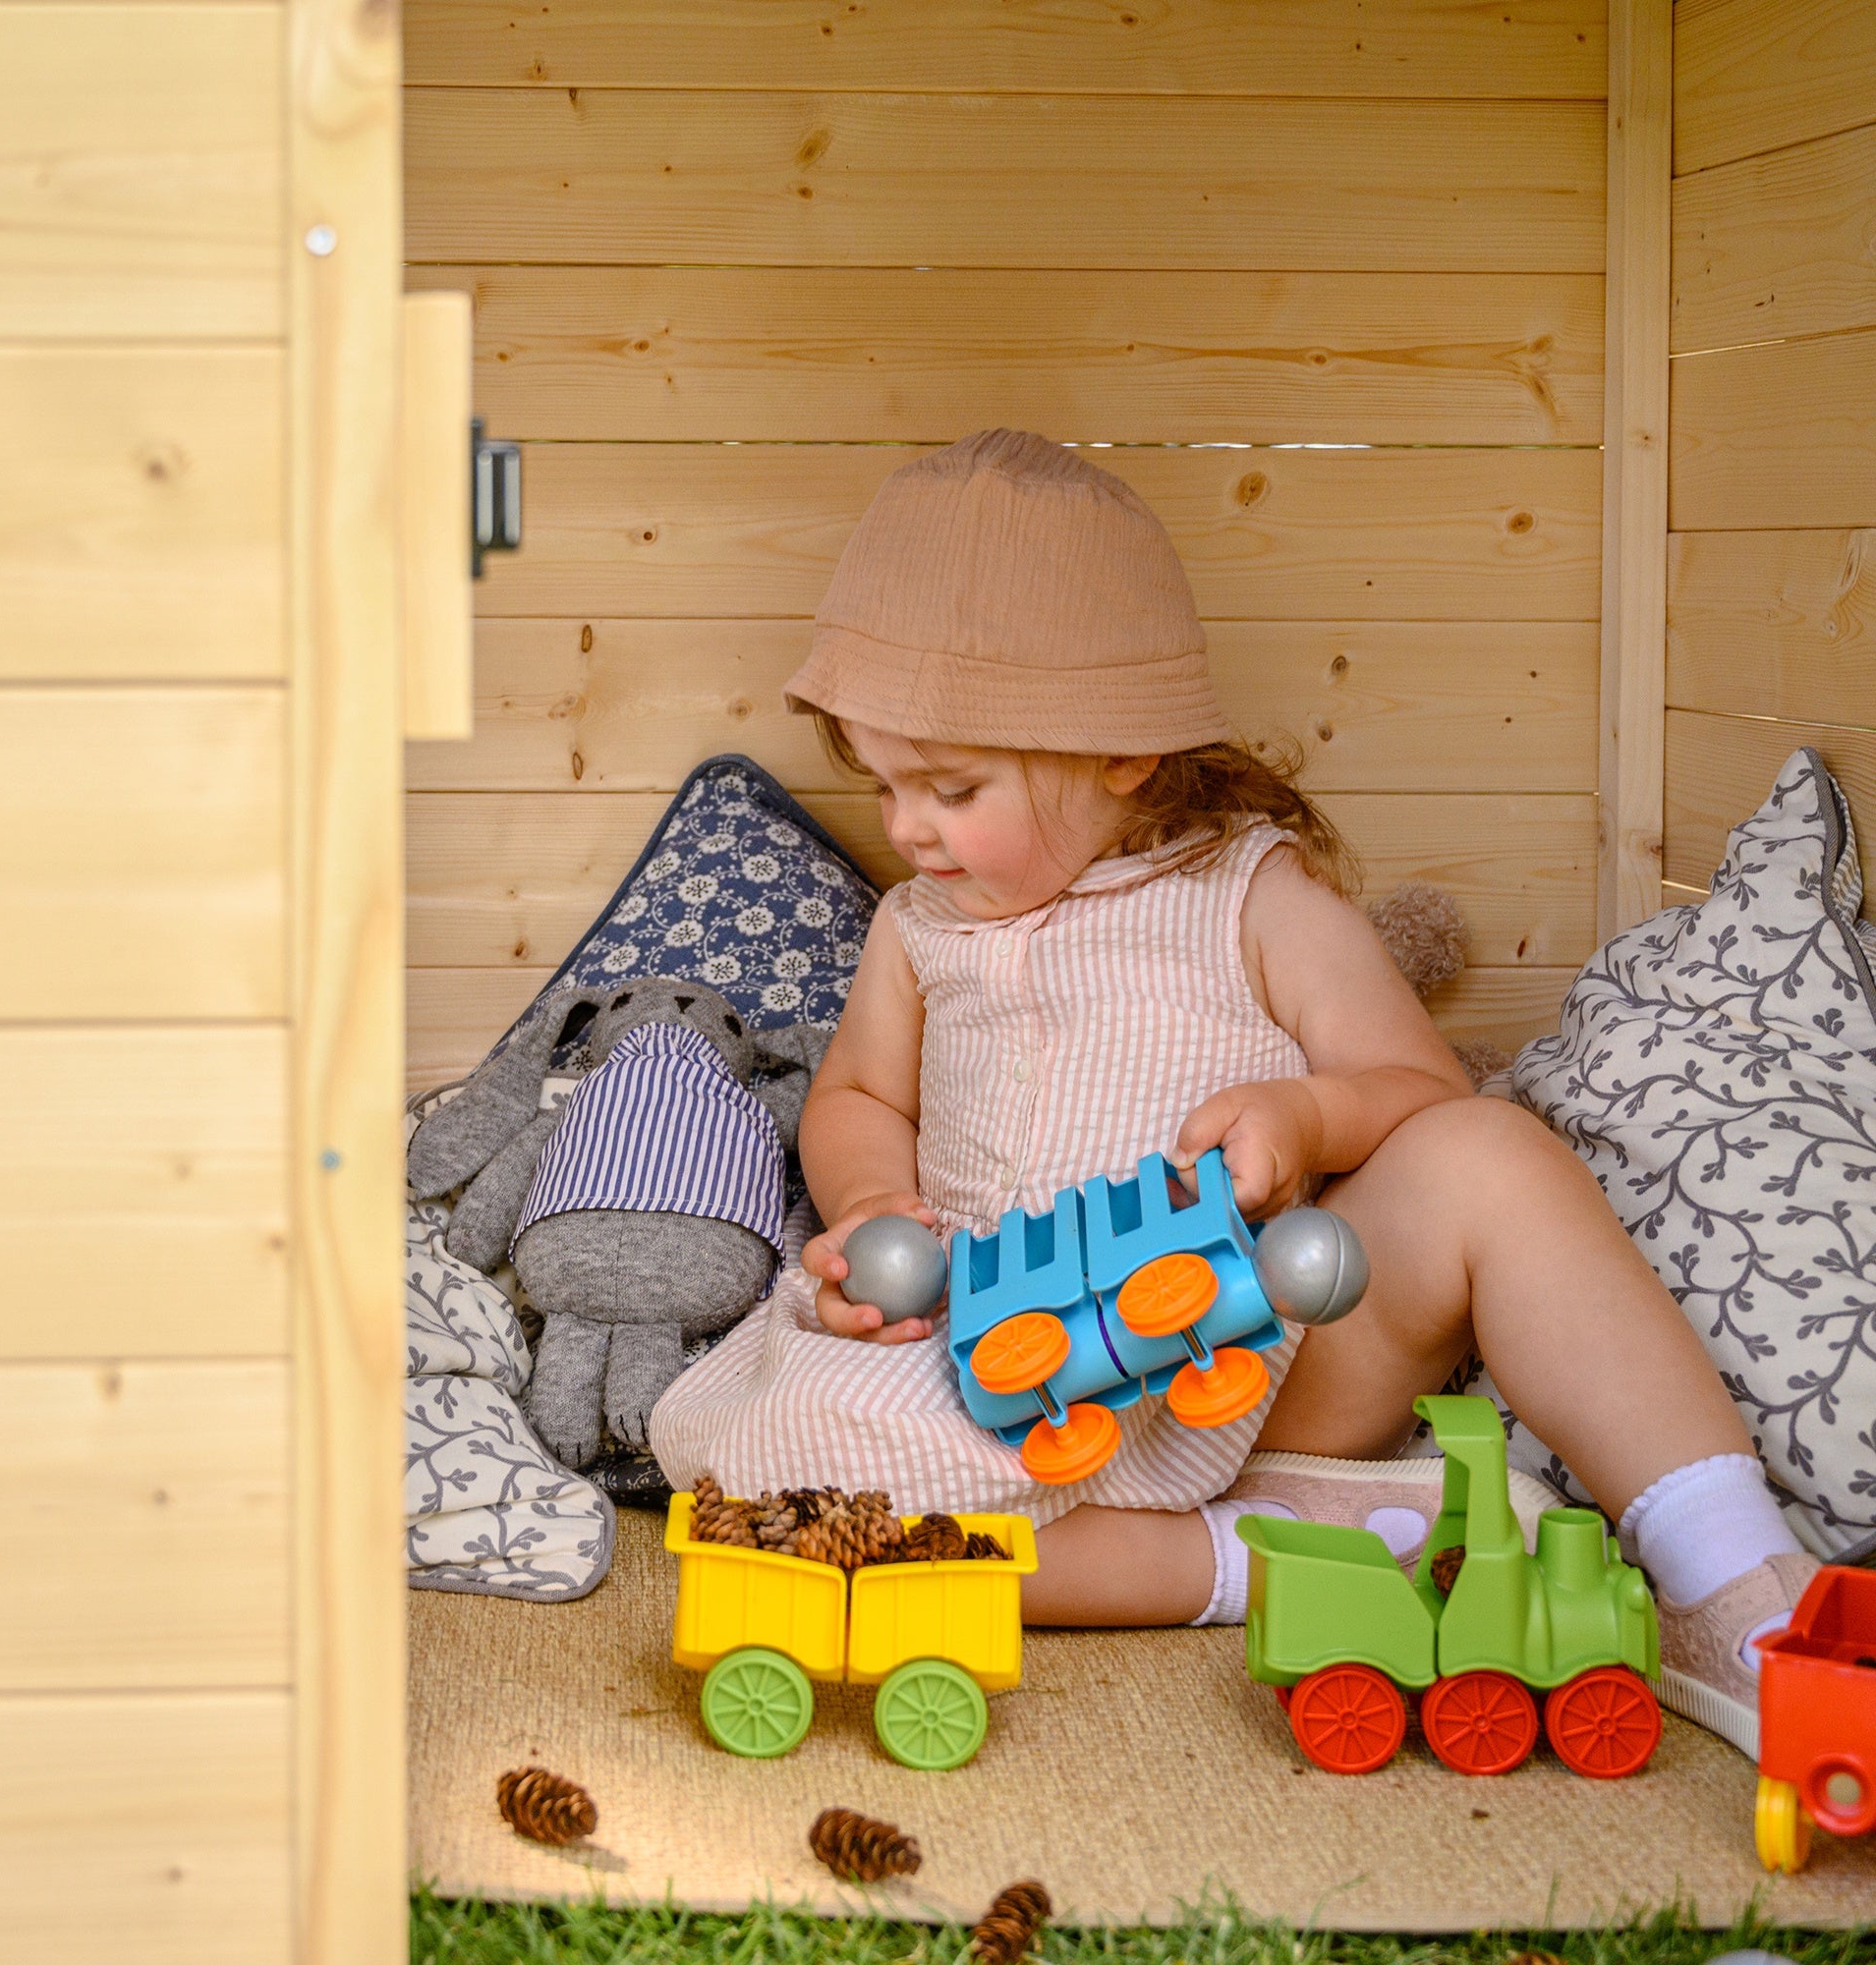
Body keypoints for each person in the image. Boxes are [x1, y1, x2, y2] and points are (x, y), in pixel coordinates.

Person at [651, 428, 1814, 1757]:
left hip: (1259, 1347)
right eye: (884, 783)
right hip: (999, 1372)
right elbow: (858, 1091)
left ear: (1123, 754)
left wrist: (1305, 1117)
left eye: (952, 788)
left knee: (1493, 1155)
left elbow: (1418, 1085)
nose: (907, 828)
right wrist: (870, 1202)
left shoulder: (1249, 892)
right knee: (799, 1510)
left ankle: (1733, 1579)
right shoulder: (918, 928)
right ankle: (1262, 1551)